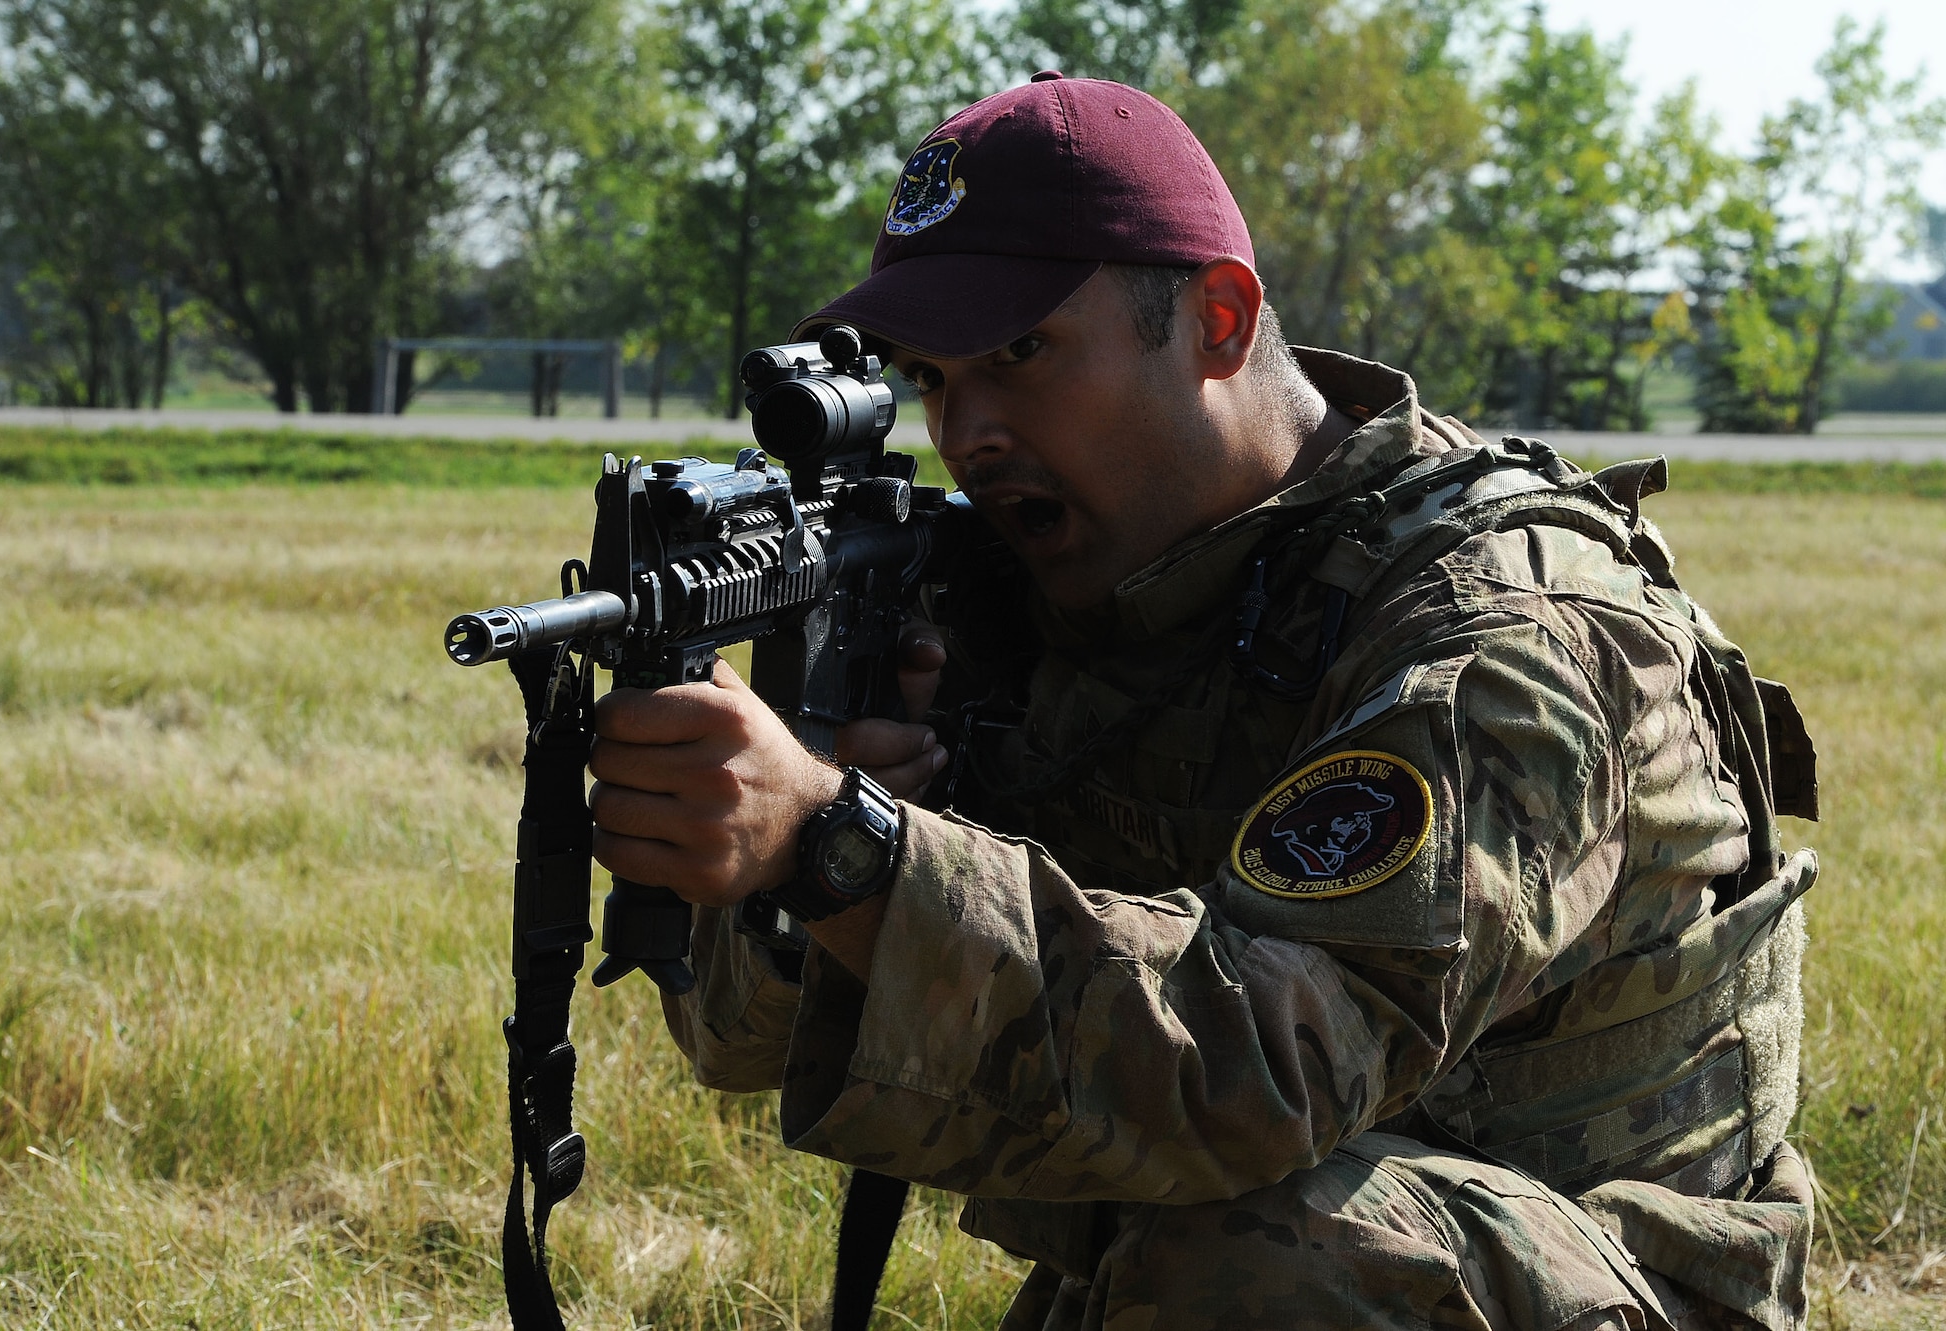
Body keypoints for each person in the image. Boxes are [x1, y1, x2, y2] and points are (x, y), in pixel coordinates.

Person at [586, 72, 1819, 1330]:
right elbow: (737, 1047)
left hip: (1601, 1266)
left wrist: (842, 848)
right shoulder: (1086, 584)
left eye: (1019, 353)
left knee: (1258, 1261)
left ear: (1219, 319)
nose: (968, 430)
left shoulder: (1494, 635)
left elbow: (1260, 1068)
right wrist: (812, 838)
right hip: (1285, 1230)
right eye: (935, 377)